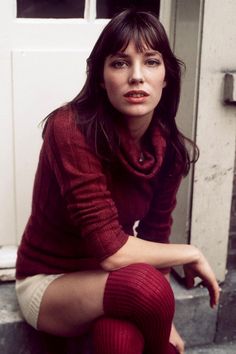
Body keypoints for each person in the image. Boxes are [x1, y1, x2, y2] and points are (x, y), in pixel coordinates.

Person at [15, 9, 220, 354]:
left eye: (151, 62)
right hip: (51, 283)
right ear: (100, 76)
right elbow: (111, 251)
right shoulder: (69, 128)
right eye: (121, 63)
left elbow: (155, 235)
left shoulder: (168, 148)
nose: (137, 77)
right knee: (143, 287)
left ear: (167, 76)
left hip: (112, 282)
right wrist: (192, 252)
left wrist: (162, 315)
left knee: (119, 338)